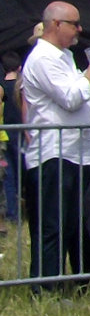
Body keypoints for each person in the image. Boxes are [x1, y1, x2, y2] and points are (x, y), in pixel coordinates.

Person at [21, 1, 90, 289]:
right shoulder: (43, 59)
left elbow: (82, 96)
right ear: (56, 25)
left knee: (77, 226)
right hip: (55, 153)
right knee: (54, 226)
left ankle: (83, 281)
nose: (80, 29)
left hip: (78, 153)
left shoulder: (63, 56)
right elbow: (71, 98)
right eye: (74, 23)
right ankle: (46, 286)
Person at [1, 51, 20, 227]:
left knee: (9, 176)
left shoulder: (2, 88)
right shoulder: (20, 87)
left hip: (6, 134)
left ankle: (12, 213)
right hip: (23, 132)